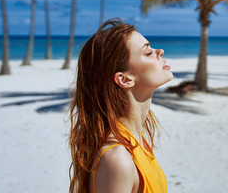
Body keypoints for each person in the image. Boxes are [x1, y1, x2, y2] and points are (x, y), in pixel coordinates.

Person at [68, 18, 173, 193]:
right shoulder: (117, 158)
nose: (160, 51)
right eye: (148, 53)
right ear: (124, 79)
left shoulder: (135, 141)